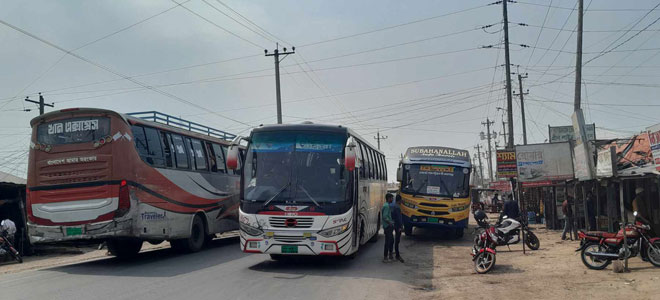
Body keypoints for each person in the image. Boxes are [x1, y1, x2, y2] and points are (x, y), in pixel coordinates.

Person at [391, 195, 405, 263]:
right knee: (397, 240)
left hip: (395, 225)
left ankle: (394, 253)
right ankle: (397, 255)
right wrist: (401, 226)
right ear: (399, 200)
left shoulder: (394, 206)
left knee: (396, 240)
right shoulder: (397, 207)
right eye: (401, 200)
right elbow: (399, 218)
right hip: (397, 226)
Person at [381, 193, 394, 263]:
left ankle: (390, 255)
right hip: (388, 227)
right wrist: (390, 223)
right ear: (389, 198)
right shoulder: (386, 206)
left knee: (391, 240)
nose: (392, 199)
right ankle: (386, 257)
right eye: (392, 198)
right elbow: (385, 217)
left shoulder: (386, 205)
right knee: (388, 241)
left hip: (388, 226)